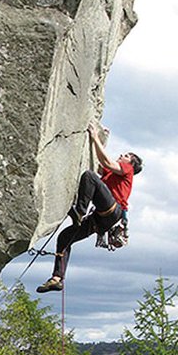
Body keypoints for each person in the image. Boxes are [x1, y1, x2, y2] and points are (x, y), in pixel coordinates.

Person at [37, 123, 142, 293]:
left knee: (90, 176)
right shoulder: (111, 174)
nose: (122, 155)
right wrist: (101, 140)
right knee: (64, 237)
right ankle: (57, 278)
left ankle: (79, 211)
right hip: (101, 219)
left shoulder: (127, 170)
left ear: (131, 164)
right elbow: (98, 163)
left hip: (112, 211)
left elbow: (106, 162)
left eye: (126, 155)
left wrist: (95, 136)